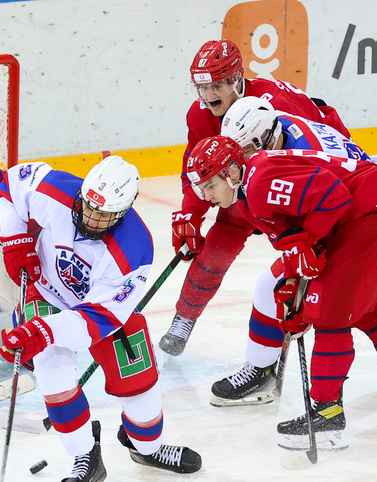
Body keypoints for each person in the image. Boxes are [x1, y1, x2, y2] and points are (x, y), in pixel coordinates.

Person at [0, 156, 202, 482]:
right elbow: (10, 182)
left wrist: (41, 332)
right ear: (82, 194)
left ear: (123, 213)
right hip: (43, 292)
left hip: (100, 314)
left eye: (104, 215)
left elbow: (94, 323)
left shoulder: (135, 250)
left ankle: (147, 449)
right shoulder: (56, 189)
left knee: (141, 392)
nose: (91, 219)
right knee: (53, 374)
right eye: (88, 207)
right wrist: (15, 239)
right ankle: (85, 457)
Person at [159, 39, 351, 360]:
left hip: (307, 173)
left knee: (313, 254)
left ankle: (319, 315)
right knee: (219, 244)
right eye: (201, 87)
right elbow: (201, 166)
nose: (207, 96)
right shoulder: (200, 115)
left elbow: (320, 154)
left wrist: (309, 234)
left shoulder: (277, 103)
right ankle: (184, 319)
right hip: (249, 180)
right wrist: (189, 216)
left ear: (236, 79)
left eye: (217, 85)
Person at [186, 135, 377, 449]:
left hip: (364, 211)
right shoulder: (247, 201)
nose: (206, 196)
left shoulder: (261, 181)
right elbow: (292, 241)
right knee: (365, 309)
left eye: (209, 186)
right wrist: (291, 290)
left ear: (231, 173)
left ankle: (327, 417)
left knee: (331, 313)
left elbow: (334, 195)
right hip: (356, 217)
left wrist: (307, 240)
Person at [207, 96, 373, 405]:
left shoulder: (285, 159)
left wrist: (306, 258)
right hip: (353, 210)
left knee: (326, 309)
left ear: (260, 141)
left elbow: (332, 202)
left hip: (358, 215)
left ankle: (279, 383)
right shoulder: (275, 128)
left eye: (242, 152)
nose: (235, 162)